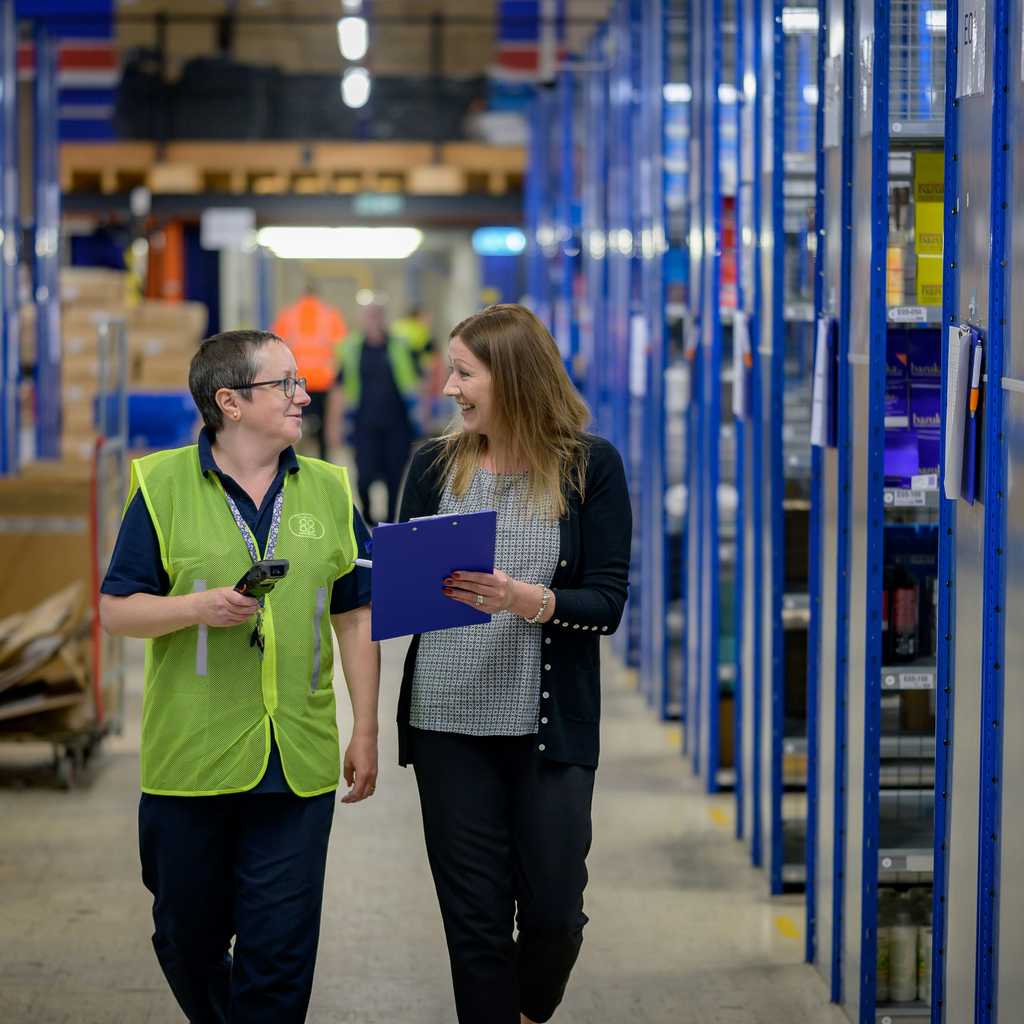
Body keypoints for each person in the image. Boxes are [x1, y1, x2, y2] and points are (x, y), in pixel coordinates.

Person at [99, 329, 380, 1024]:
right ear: (230, 401)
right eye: (284, 383)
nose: (302, 393)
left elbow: (354, 615)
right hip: (191, 758)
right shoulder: (161, 486)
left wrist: (365, 726)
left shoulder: (328, 488)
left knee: (279, 953)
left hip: (298, 759)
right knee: (186, 939)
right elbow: (115, 610)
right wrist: (194, 607)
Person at [396, 303, 632, 1024]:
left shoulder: (591, 467)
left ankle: (529, 1011)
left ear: (515, 378)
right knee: (476, 928)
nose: (449, 387)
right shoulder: (432, 464)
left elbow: (607, 602)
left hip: (546, 733)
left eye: (464, 373)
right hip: (447, 725)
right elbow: (405, 595)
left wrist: (526, 599)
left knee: (556, 916)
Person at [332, 302, 420, 525]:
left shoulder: (399, 346)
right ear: (361, 319)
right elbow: (340, 389)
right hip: (364, 425)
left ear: (384, 318)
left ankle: (391, 523)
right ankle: (369, 515)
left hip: (397, 424)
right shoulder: (352, 348)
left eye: (377, 315)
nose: (373, 320)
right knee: (364, 477)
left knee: (395, 477)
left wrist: (423, 414)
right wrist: (334, 425)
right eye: (369, 315)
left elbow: (418, 379)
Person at [271, 281, 348, 461]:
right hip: (323, 380)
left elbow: (275, 346)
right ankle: (322, 462)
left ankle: (293, 462)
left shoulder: (288, 314)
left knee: (293, 425)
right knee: (322, 430)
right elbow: (341, 348)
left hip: (296, 381)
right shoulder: (330, 314)